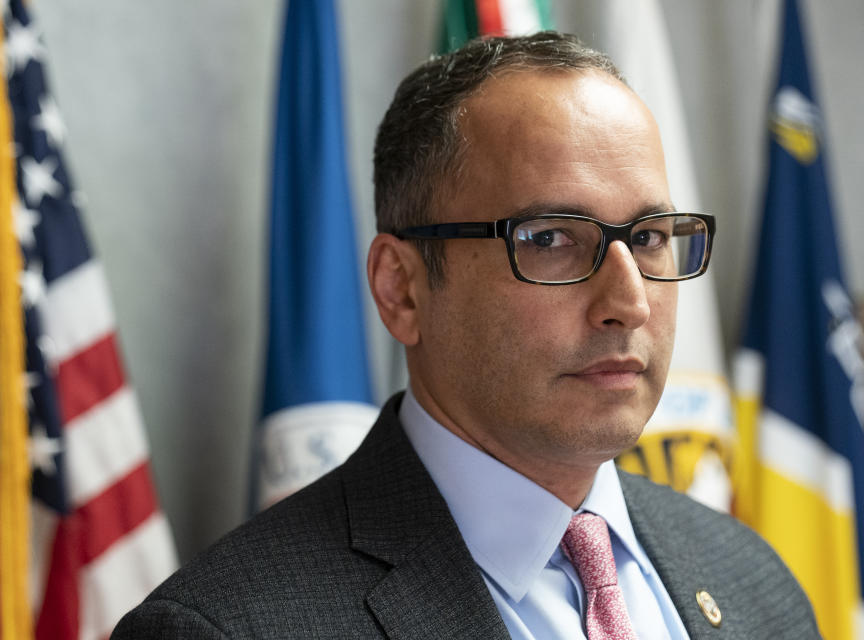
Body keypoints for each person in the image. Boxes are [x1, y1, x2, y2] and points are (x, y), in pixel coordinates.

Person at [114, 32, 819, 639]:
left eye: (651, 237)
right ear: (402, 288)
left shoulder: (754, 580)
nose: (628, 302)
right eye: (549, 239)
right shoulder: (223, 628)